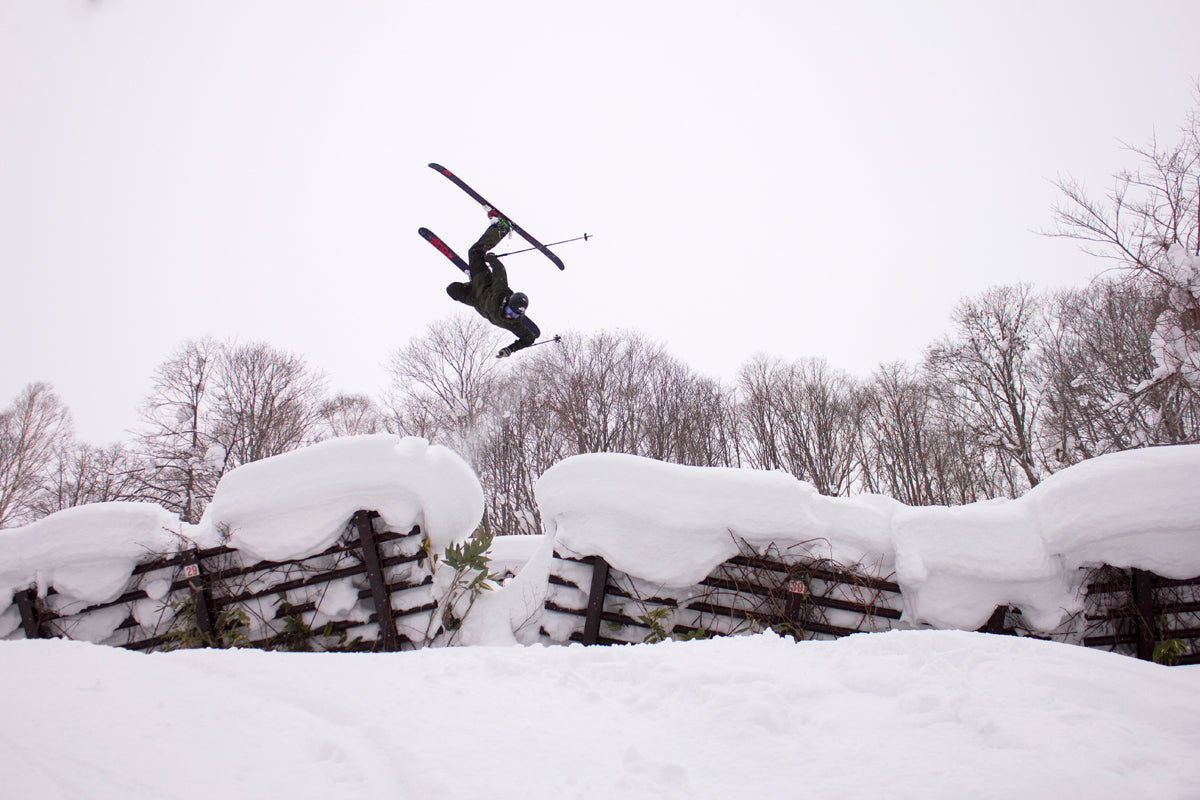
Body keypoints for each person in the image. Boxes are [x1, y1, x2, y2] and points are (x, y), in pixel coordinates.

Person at [446, 209, 541, 358]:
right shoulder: (500, 292)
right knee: (474, 252)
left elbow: (529, 339)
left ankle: (470, 282)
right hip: (482, 281)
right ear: (508, 302)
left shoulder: (514, 324)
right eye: (510, 310)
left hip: (475, 299)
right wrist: (492, 259)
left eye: (514, 314)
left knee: (452, 290)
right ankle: (501, 228)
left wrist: (510, 349)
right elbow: (500, 272)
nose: (509, 315)